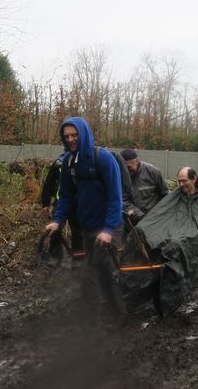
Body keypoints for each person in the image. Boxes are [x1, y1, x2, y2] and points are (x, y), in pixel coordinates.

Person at [44, 117, 126, 324]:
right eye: (66, 136)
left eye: (74, 135)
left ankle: (99, 323)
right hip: (88, 228)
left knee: (92, 275)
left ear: (84, 134)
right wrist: (58, 220)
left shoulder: (104, 159)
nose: (70, 139)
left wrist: (108, 229)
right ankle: (108, 318)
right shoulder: (69, 161)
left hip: (109, 226)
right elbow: (66, 196)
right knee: (101, 275)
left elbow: (116, 198)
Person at [40, 153, 81, 260]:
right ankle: (55, 257)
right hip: (61, 202)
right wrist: (45, 203)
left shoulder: (84, 162)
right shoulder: (60, 162)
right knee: (55, 230)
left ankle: (78, 259)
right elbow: (49, 182)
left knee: (78, 232)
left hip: (78, 203)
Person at [120, 148, 169, 223]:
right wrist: (138, 215)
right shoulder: (120, 176)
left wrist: (160, 214)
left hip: (154, 220)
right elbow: (123, 200)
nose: (126, 172)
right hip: (132, 220)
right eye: (123, 168)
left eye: (128, 167)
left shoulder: (153, 172)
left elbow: (165, 195)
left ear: (137, 162)